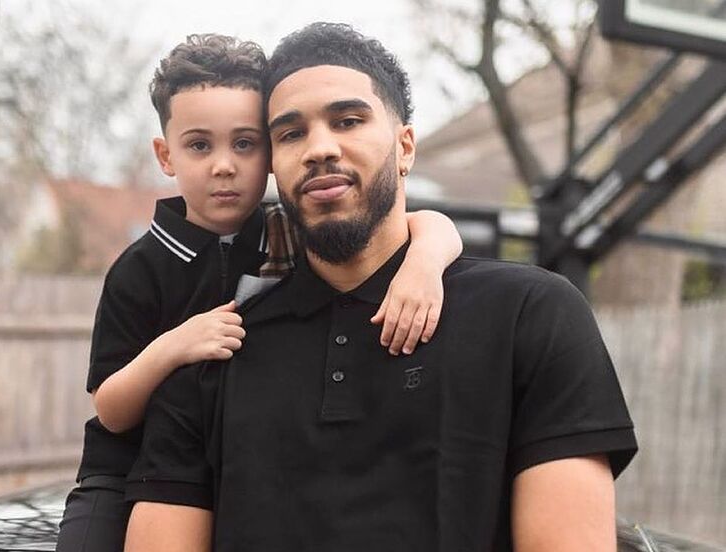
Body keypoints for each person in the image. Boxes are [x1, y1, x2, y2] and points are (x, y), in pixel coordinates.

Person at [124, 22, 638, 552]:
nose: (320, 148)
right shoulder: (212, 347)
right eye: (290, 133)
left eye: (348, 120)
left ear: (405, 146)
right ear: (274, 164)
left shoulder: (531, 315)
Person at [54, 33, 463, 552]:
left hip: (236, 462)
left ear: (271, 153)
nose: (224, 165)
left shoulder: (285, 231)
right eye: (200, 145)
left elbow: (427, 223)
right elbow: (110, 410)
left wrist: (423, 264)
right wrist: (175, 345)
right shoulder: (140, 270)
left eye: (245, 143)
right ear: (166, 154)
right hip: (122, 475)